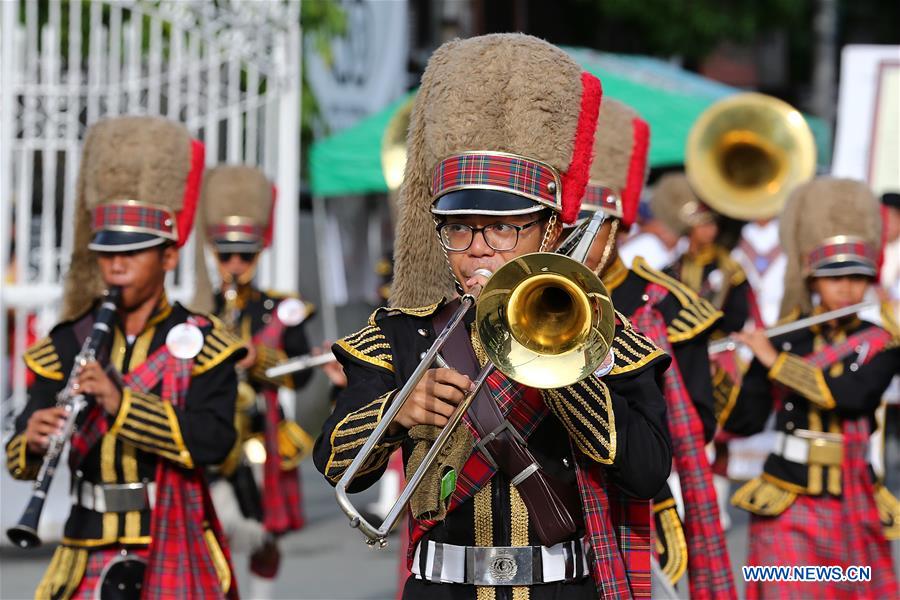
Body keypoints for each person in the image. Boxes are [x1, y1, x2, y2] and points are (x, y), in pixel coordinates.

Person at [315, 33, 673, 600]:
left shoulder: (605, 336)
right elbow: (337, 462)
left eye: (504, 227)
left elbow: (649, 471)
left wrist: (564, 360)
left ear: (550, 229)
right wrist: (398, 411)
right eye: (459, 227)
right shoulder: (402, 330)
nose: (478, 247)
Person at [6, 116, 244, 599]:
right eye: (107, 254)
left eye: (134, 252)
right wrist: (30, 442)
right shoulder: (68, 341)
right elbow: (19, 453)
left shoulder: (204, 340)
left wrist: (122, 403)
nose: (116, 265)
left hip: (170, 539)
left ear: (168, 257)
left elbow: (215, 442)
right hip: (85, 544)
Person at [567, 99, 734, 598]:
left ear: (615, 225)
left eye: (588, 227)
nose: (573, 241)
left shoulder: (665, 304)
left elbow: (697, 421)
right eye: (564, 224)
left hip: (637, 509)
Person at [721, 177, 899, 599]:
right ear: (812, 281)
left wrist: (774, 361)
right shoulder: (785, 338)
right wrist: (731, 367)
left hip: (852, 501)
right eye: (833, 277)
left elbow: (853, 397)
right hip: (787, 499)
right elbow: (745, 421)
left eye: (857, 277)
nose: (846, 288)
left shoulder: (884, 341)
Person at [191, 165, 315, 588]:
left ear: (258, 254)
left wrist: (257, 358)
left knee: (265, 533)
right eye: (226, 255)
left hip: (262, 432)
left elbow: (300, 378)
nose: (236, 264)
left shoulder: (281, 308)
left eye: (245, 255)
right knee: (211, 526)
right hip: (215, 427)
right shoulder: (200, 312)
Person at [654, 173, 755, 334]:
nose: (711, 230)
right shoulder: (673, 269)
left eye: (713, 224)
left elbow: (738, 315)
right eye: (704, 225)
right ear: (691, 227)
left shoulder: (729, 266)